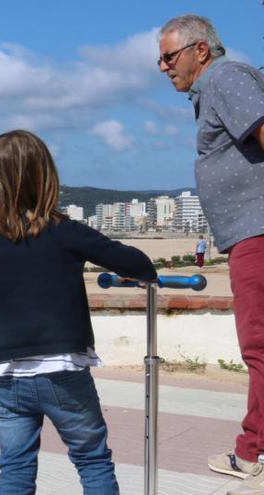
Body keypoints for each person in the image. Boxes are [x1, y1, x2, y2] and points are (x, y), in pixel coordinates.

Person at [0, 130, 157, 494]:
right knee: (92, 461)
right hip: (64, 375)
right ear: (46, 177)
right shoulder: (66, 232)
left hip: (6, 377)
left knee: (15, 470)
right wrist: (145, 275)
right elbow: (133, 261)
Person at [158, 15, 264, 491]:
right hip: (250, 234)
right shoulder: (213, 91)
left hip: (258, 234)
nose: (162, 67)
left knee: (260, 347)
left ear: (200, 51)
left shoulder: (224, 77)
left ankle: (254, 451)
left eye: (168, 56)